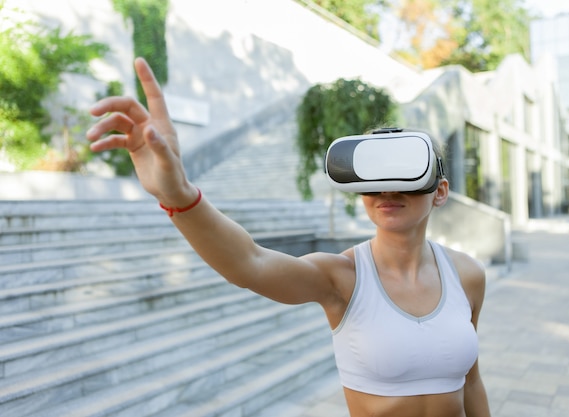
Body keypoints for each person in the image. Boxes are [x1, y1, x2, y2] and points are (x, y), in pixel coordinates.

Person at [87, 57, 491, 417]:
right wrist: (178, 197)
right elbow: (250, 264)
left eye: (403, 174)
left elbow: (470, 383)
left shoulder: (467, 277)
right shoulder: (342, 277)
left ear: (439, 190)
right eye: (373, 178)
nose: (386, 191)